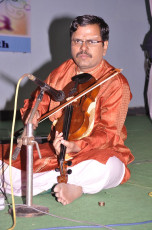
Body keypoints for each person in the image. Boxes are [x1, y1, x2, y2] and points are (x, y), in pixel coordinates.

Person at [0, 15, 134, 205]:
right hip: (55, 151)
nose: (83, 48)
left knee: (108, 168)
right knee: (4, 158)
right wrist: (34, 112)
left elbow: (109, 133)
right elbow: (39, 100)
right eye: (77, 41)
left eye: (92, 41)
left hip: (96, 152)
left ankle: (65, 183)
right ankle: (67, 182)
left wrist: (77, 146)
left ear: (104, 46)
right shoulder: (63, 71)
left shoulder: (116, 83)